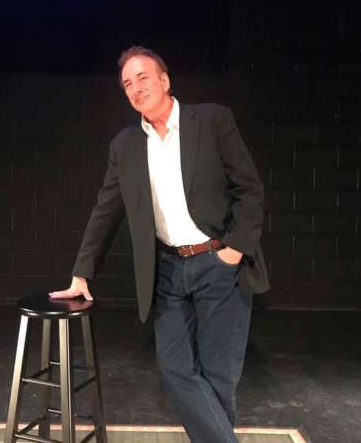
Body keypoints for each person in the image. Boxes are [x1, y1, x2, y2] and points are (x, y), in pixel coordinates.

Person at [50, 46, 269, 442]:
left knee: (219, 376)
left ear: (164, 80)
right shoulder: (126, 145)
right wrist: (82, 272)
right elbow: (105, 209)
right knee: (174, 369)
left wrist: (233, 250)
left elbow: (250, 189)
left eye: (143, 78)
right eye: (127, 84)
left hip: (218, 264)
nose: (136, 88)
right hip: (167, 270)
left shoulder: (212, 120)